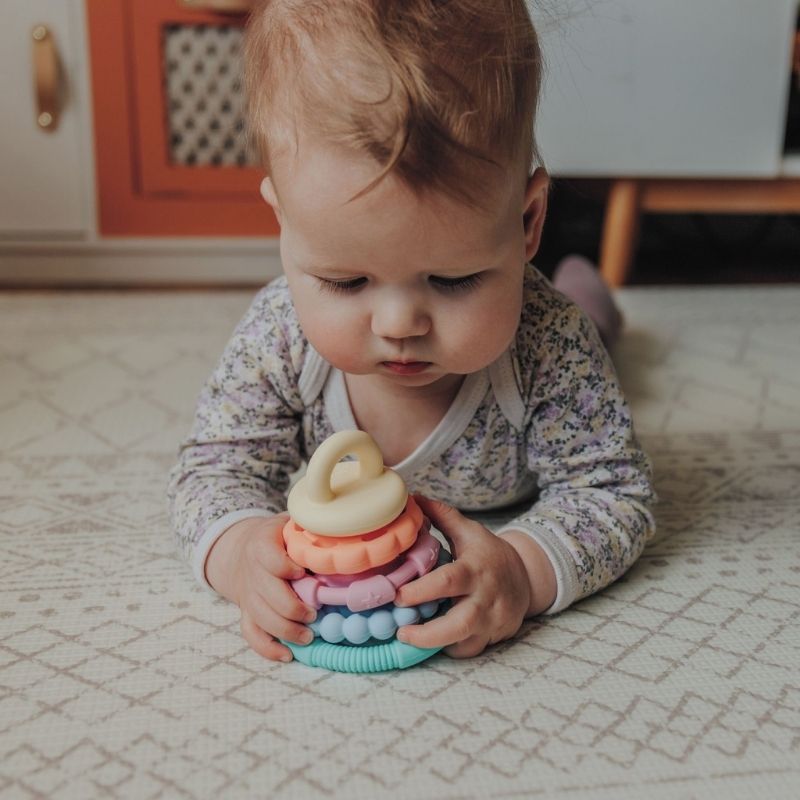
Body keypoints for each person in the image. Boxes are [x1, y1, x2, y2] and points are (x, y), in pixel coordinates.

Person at [167, 0, 655, 663]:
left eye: (453, 280)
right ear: (284, 224)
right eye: (346, 282)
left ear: (527, 221)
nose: (399, 326)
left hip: (559, 338)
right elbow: (213, 467)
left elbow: (613, 493)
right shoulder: (277, 337)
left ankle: (586, 289)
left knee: (587, 322)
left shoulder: (552, 344)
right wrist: (239, 551)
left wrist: (522, 568)